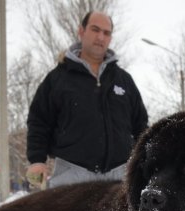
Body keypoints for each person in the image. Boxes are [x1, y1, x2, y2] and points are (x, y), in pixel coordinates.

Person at [26, 11, 149, 188]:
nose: (100, 37)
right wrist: (37, 160)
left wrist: (146, 160)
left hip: (120, 176)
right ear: (81, 31)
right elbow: (39, 121)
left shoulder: (124, 80)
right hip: (71, 176)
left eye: (106, 33)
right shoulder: (58, 79)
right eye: (95, 30)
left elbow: (141, 125)